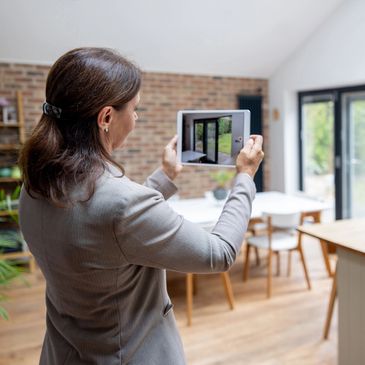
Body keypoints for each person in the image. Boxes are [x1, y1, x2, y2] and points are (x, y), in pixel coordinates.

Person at [18, 47, 264, 365]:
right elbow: (218, 254)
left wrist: (165, 176)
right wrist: (244, 177)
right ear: (106, 117)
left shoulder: (35, 184)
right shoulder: (120, 204)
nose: (135, 118)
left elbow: (105, 228)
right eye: (134, 109)